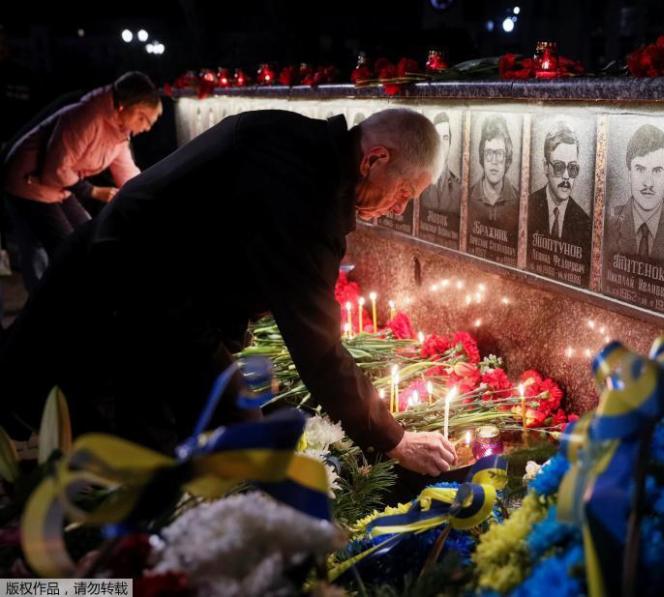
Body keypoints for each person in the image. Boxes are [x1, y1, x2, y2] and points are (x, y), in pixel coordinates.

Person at [0, 108, 457, 477]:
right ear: (374, 159)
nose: (399, 207)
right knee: (197, 437)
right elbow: (317, 345)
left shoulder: (292, 136)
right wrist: (393, 438)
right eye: (403, 192)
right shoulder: (306, 192)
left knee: (160, 435)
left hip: (140, 288)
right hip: (126, 297)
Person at [2, 71, 162, 288]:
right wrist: (93, 191)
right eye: (143, 118)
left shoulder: (118, 131)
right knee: (65, 248)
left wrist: (150, 197)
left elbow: (127, 172)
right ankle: (54, 300)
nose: (147, 127)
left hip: (59, 185)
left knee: (88, 233)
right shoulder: (88, 116)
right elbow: (56, 167)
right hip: (28, 182)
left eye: (151, 122)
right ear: (124, 106)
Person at [606, 124, 664, 263]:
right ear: (629, 174)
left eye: (657, 171)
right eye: (640, 169)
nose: (648, 183)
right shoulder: (608, 225)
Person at [527, 123, 591, 242]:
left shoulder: (585, 223)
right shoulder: (527, 207)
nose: (566, 176)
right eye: (559, 167)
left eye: (572, 168)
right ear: (546, 166)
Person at [468, 115, 519, 230]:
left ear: (507, 157)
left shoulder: (519, 200)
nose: (494, 161)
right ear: (482, 156)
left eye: (500, 153)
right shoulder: (467, 196)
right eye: (489, 153)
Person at [420, 112, 461, 214]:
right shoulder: (420, 182)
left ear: (450, 143)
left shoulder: (458, 187)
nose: (442, 144)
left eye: (445, 138)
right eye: (438, 138)